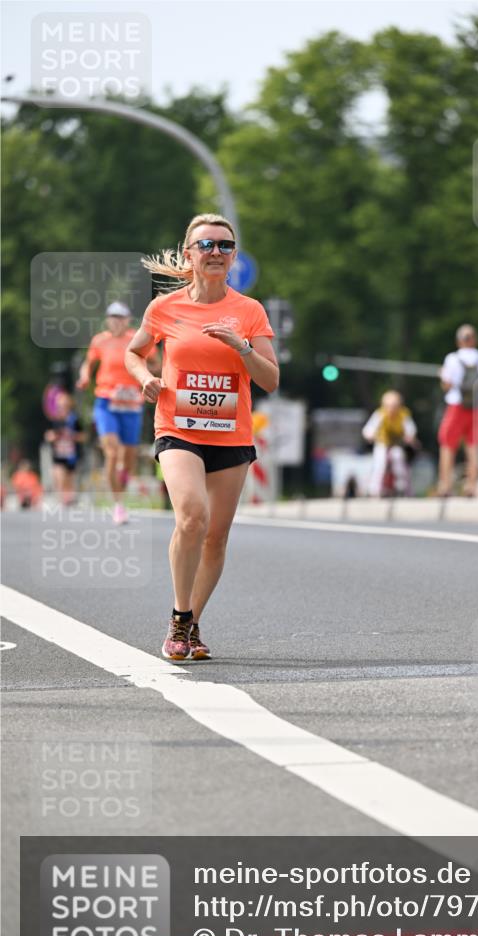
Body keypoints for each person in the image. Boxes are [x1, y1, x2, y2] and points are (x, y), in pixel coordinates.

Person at [125, 213, 279, 661]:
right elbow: (135, 352)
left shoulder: (249, 311)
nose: (216, 252)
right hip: (177, 428)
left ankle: (192, 623)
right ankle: (178, 618)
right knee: (193, 517)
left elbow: (270, 380)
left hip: (231, 434)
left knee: (215, 537)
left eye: (225, 246)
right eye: (206, 245)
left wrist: (241, 347)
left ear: (234, 257)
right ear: (189, 254)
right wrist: (145, 378)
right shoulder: (165, 307)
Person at [77, 301, 157, 524]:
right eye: (112, 317)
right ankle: (118, 505)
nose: (116, 321)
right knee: (111, 452)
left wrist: (147, 374)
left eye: (121, 317)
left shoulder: (137, 338)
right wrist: (84, 377)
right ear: (107, 319)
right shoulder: (99, 340)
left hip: (131, 404)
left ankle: (123, 475)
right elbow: (88, 364)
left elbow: (156, 363)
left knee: (128, 459)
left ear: (128, 320)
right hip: (106, 401)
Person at [437, 324, 478, 497]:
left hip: (456, 405)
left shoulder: (452, 358)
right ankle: (471, 486)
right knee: (473, 446)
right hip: (476, 406)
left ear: (458, 341)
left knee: (448, 444)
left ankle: (446, 485)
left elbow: (447, 384)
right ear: (475, 340)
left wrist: (442, 376)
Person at [362, 390, 418, 497]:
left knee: (398, 460)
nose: (391, 409)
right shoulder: (380, 414)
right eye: (388, 406)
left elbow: (410, 428)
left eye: (394, 406)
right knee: (380, 463)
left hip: (397, 444)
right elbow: (369, 429)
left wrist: (410, 436)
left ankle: (402, 487)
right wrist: (370, 435)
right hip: (382, 443)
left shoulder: (403, 414)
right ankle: (375, 490)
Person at [44, 391, 85, 504]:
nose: (63, 407)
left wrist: (72, 436)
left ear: (69, 405)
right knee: (60, 476)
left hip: (71, 455)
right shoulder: (55, 420)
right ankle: (62, 500)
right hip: (58, 455)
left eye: (65, 404)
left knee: (69, 480)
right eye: (60, 405)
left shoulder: (74, 420)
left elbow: (83, 436)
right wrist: (53, 437)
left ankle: (68, 500)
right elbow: (48, 435)